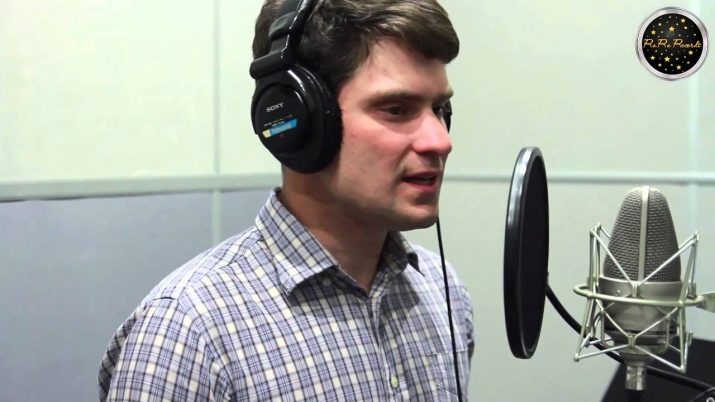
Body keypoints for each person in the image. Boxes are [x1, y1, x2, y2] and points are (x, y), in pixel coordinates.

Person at [98, 0, 474, 400]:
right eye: (396, 109)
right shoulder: (186, 332)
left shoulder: (441, 290)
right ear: (301, 122)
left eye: (440, 109)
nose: (440, 141)